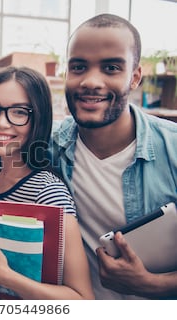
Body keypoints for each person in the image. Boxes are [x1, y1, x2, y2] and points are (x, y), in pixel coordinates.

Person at [50, 13, 177, 299]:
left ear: (134, 77)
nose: (91, 81)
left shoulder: (172, 150)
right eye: (79, 67)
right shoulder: (47, 147)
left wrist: (151, 285)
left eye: (111, 68)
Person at [0, 66, 94, 299]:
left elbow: (82, 300)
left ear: (39, 118)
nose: (0, 123)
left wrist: (4, 276)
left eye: (18, 112)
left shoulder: (49, 193)